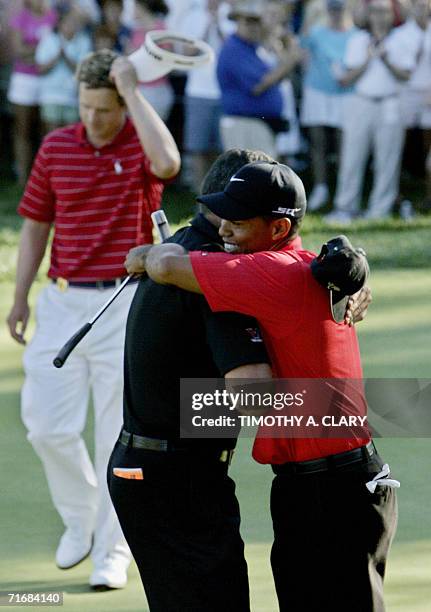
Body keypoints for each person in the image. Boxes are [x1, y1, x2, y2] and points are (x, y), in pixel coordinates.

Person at [132, 160, 398, 612]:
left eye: (238, 221)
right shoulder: (307, 264)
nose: (225, 230)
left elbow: (162, 264)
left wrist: (144, 255)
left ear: (277, 227)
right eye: (223, 218)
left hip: (333, 490)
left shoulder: (267, 273)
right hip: (316, 486)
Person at [6, 49, 180, 590]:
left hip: (126, 301)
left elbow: (170, 164)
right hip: (61, 300)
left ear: (123, 105)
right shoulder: (57, 146)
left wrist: (132, 91)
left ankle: (113, 549)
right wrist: (20, 298)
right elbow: (36, 223)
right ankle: (81, 518)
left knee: (114, 433)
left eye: (104, 109)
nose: (93, 119)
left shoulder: (139, 140)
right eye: (85, 107)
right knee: (45, 425)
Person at [108, 148, 273, 612]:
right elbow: (255, 398)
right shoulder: (209, 275)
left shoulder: (180, 247)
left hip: (152, 469)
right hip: (177, 480)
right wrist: (352, 412)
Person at [326, 0, 416, 223]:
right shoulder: (358, 40)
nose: (379, 16)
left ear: (391, 14)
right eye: (375, 11)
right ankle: (345, 207)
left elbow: (406, 74)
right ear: (369, 15)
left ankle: (379, 210)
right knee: (352, 156)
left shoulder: (401, 40)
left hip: (390, 103)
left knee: (388, 159)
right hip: (362, 101)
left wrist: (385, 59)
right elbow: (347, 77)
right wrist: (369, 58)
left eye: (384, 11)